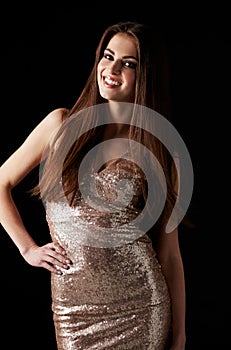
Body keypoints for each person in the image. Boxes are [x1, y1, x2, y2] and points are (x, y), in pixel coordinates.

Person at [0, 21, 188, 349]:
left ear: (146, 75)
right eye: (108, 56)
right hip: (72, 313)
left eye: (128, 63)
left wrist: (180, 335)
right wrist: (28, 248)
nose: (111, 68)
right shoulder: (59, 125)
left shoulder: (159, 150)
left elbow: (169, 253)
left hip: (140, 310)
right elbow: (0, 182)